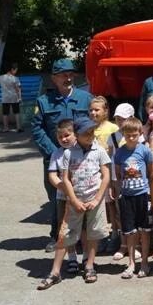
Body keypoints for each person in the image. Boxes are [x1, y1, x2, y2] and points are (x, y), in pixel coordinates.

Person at [37, 118, 111, 289]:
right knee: (65, 234)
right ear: (77, 135)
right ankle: (55, 272)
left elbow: (106, 176)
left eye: (92, 132)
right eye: (86, 133)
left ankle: (90, 265)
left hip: (95, 200)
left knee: (93, 233)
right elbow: (65, 179)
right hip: (75, 200)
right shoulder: (68, 153)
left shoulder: (99, 150)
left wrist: (98, 198)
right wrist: (74, 200)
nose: (90, 135)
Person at [32, 58, 92, 251]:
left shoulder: (85, 98)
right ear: (53, 78)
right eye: (63, 75)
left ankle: (82, 238)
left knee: (81, 196)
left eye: (70, 74)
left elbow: (93, 125)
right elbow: (37, 128)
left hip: (81, 158)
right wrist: (54, 152)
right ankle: (57, 236)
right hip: (55, 160)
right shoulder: (43, 101)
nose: (68, 78)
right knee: (57, 198)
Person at [113, 117, 153, 279]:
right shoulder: (120, 153)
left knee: (144, 231)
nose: (131, 137)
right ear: (123, 134)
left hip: (142, 196)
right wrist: (120, 191)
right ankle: (131, 263)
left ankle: (144, 262)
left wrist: (147, 190)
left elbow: (151, 172)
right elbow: (118, 174)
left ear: (140, 134)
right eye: (128, 134)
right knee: (129, 232)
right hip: (127, 197)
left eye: (135, 135)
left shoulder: (144, 151)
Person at [46, 119, 80, 275]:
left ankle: (86, 257)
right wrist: (64, 188)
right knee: (66, 229)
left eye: (67, 135)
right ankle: (72, 257)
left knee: (84, 228)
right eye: (61, 137)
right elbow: (53, 176)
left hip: (83, 194)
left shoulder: (81, 150)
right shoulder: (56, 154)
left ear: (75, 134)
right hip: (63, 197)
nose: (64, 139)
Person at [0, 63, 23, 132]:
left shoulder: (1, 77)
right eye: (16, 70)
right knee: (16, 112)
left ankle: (6, 128)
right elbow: (18, 89)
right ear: (12, 70)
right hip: (14, 98)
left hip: (5, 98)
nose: (16, 72)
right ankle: (18, 127)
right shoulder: (15, 78)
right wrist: (20, 97)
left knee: (5, 113)